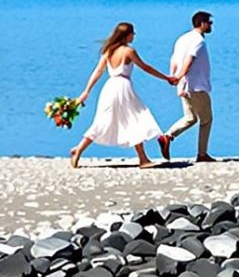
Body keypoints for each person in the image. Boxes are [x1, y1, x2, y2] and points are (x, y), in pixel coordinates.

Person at [69, 21, 173, 168]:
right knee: (134, 118)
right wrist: (166, 77)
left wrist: (86, 91)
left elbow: (97, 72)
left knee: (102, 121)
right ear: (126, 35)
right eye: (132, 33)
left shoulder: (108, 51)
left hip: (109, 88)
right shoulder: (128, 51)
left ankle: (78, 150)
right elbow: (145, 67)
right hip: (123, 88)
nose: (134, 36)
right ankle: (143, 158)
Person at [161, 10, 216, 162]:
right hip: (196, 86)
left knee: (190, 118)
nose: (211, 26)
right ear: (202, 23)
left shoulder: (182, 39)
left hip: (183, 86)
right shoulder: (198, 40)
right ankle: (202, 154)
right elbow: (189, 60)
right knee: (206, 119)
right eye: (209, 23)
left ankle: (167, 136)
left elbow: (174, 59)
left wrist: (174, 76)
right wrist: (178, 76)